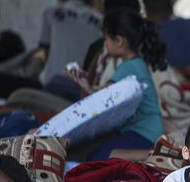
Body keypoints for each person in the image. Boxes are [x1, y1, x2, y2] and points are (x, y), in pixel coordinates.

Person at [68, 9, 167, 161]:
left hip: (144, 132)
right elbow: (107, 92)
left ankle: (153, 155)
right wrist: (86, 84)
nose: (105, 44)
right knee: (99, 150)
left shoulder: (128, 67)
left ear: (119, 41)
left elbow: (103, 97)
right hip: (150, 130)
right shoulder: (137, 63)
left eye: (106, 39)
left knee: (97, 158)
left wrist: (83, 85)